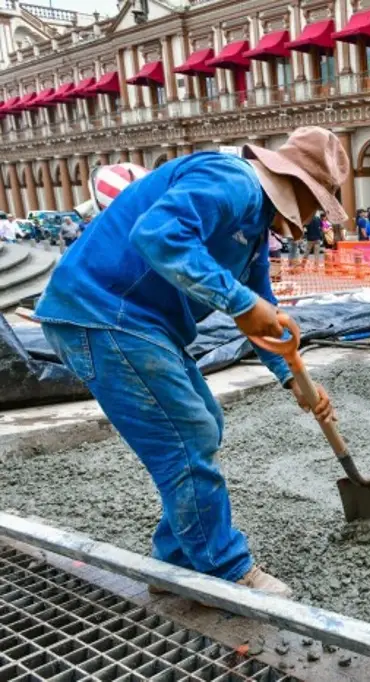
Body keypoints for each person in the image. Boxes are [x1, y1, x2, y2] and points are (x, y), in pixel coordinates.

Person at [34, 127, 348, 598]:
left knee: (206, 424)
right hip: (104, 312)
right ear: (299, 187)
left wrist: (295, 381)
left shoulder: (255, 234)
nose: (313, 219)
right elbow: (158, 234)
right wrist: (238, 301)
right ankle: (225, 568)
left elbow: (264, 319)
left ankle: (174, 563)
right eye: (318, 204)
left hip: (141, 324)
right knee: (188, 434)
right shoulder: (231, 180)